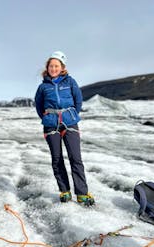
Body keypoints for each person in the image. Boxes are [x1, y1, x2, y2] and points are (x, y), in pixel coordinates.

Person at [34, 51, 95, 205]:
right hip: (51, 124)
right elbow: (39, 106)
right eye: (51, 66)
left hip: (70, 122)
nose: (53, 68)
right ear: (47, 68)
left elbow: (78, 101)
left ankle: (82, 193)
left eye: (56, 66)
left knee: (75, 158)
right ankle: (64, 191)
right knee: (57, 159)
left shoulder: (70, 82)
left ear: (62, 67)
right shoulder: (43, 87)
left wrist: (71, 115)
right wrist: (48, 118)